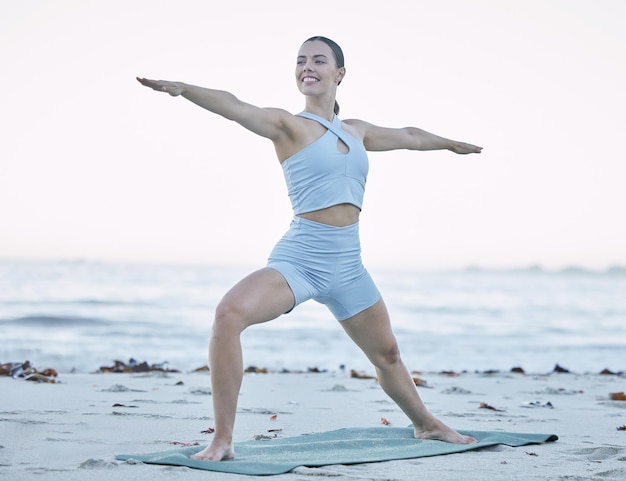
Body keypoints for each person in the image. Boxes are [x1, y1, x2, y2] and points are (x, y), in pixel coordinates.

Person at [137, 35, 482, 461]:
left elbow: (410, 135)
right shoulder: (289, 125)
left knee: (387, 354)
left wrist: (449, 143)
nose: (308, 67)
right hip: (302, 259)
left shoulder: (358, 131)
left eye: (319, 60)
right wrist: (186, 90)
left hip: (349, 265)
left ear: (339, 73)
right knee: (228, 315)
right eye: (301, 61)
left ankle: (426, 425)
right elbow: (235, 105)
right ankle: (222, 439)